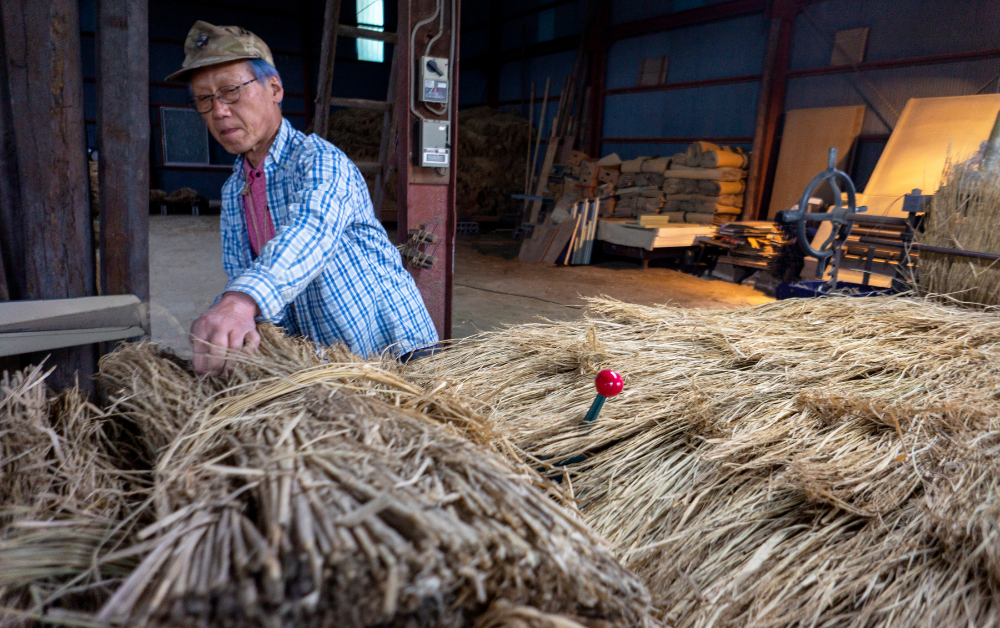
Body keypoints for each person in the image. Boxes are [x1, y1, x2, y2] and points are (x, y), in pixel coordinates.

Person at [166, 21, 438, 375]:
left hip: (394, 350)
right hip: (328, 364)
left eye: (231, 90)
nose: (218, 110)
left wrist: (240, 301)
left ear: (275, 88)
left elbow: (309, 232)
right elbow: (241, 271)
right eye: (204, 99)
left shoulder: (319, 161)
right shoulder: (234, 189)